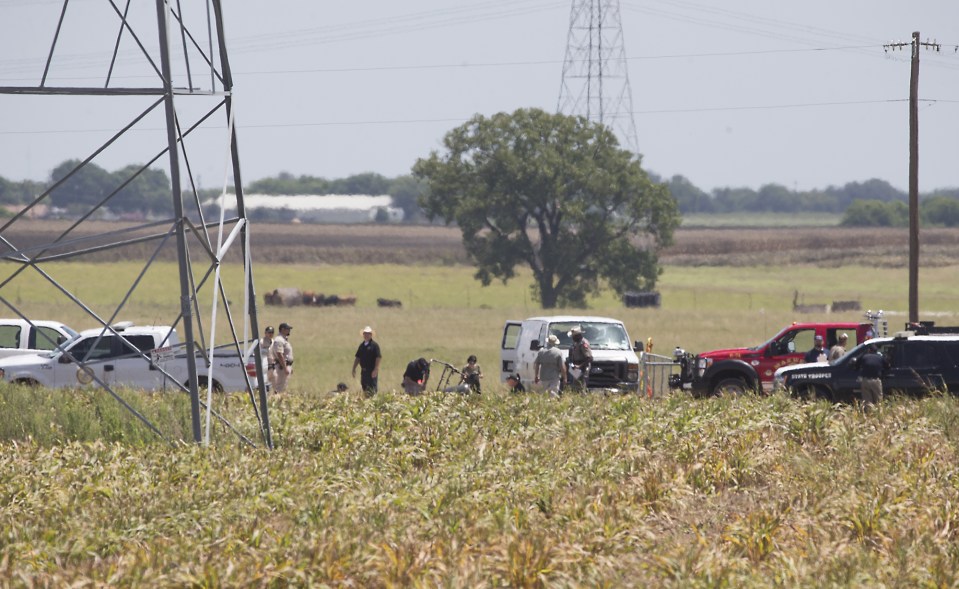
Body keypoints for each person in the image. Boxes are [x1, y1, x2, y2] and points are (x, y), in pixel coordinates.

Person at [352, 325, 382, 396]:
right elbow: (357, 357)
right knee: (364, 387)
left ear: (371, 335)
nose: (367, 335)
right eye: (365, 333)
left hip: (371, 370)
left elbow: (378, 357)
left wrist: (376, 369)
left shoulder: (374, 346)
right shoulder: (362, 346)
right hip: (364, 371)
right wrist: (354, 368)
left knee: (372, 389)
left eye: (368, 333)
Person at [858, 344, 886, 409]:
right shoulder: (880, 357)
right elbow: (887, 366)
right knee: (878, 400)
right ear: (876, 351)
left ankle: (869, 415)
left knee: (867, 402)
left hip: (865, 380)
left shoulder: (864, 357)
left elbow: (857, 363)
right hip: (876, 381)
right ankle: (878, 415)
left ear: (869, 350)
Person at [567, 326, 593, 390]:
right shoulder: (576, 343)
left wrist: (579, 366)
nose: (572, 338)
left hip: (582, 368)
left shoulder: (583, 343)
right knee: (575, 386)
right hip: (575, 368)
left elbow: (589, 358)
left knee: (581, 386)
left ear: (578, 336)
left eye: (573, 336)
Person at [271, 322, 294, 393]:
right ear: (282, 329)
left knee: (284, 387)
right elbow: (279, 354)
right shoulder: (279, 340)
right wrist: (285, 367)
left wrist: (290, 366)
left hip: (285, 365)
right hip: (282, 367)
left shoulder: (283, 339)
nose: (289, 330)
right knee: (280, 388)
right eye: (287, 329)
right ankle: (276, 402)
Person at [258, 325, 276, 390]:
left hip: (273, 366)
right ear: (265, 333)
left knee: (274, 384)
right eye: (269, 332)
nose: (270, 334)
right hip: (265, 366)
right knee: (265, 383)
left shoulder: (274, 342)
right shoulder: (261, 341)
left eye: (272, 332)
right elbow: (258, 351)